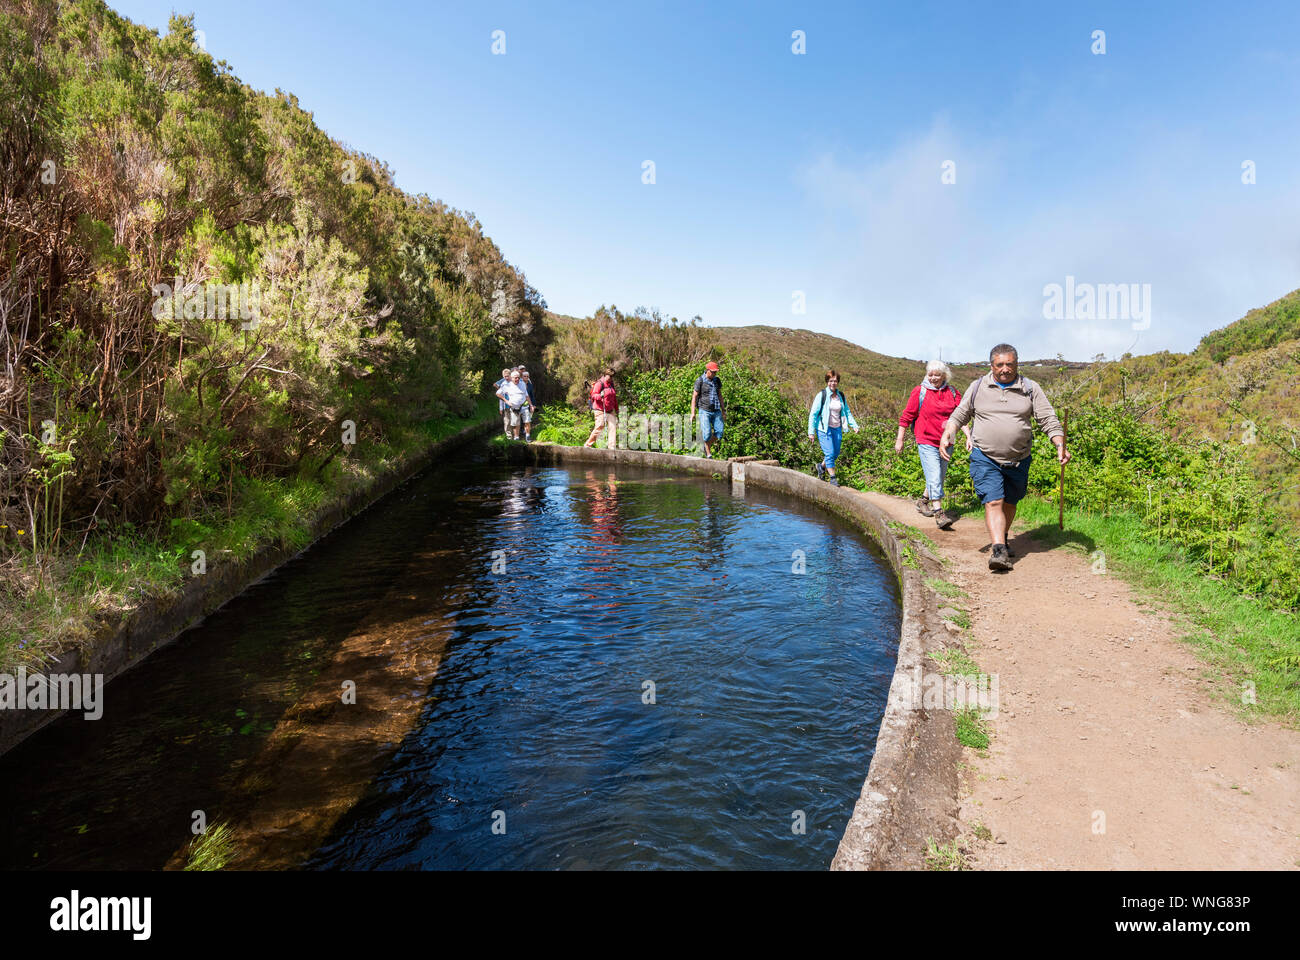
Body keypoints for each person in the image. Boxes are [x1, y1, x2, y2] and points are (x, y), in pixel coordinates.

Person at [940, 343, 1071, 571]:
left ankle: (1003, 534)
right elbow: (960, 413)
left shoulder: (1030, 388)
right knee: (993, 501)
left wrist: (1059, 444)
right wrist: (948, 433)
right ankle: (999, 549)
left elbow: (1048, 419)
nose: (1005, 369)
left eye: (1009, 364)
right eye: (999, 364)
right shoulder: (979, 386)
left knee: (1011, 501)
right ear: (991, 365)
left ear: (1016, 364)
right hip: (985, 456)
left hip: (1019, 458)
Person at [895, 360, 972, 529]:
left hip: (947, 441)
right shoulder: (919, 391)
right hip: (926, 440)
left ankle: (922, 501)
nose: (933, 378)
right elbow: (906, 416)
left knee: (938, 477)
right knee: (935, 474)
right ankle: (939, 513)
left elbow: (961, 417)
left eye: (937, 375)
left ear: (944, 375)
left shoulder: (952, 392)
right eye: (930, 374)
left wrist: (968, 436)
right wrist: (899, 439)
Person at [806, 369, 860, 486]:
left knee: (835, 454)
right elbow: (813, 414)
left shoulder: (841, 396)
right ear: (827, 381)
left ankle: (821, 467)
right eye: (831, 381)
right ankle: (833, 478)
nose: (833, 383)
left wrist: (854, 425)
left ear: (838, 382)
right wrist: (811, 432)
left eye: (835, 381)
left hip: (837, 428)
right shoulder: (822, 395)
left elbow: (847, 412)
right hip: (824, 429)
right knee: (829, 453)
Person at [690, 361, 725, 458]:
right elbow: (694, 396)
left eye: (716, 372)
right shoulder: (700, 380)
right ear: (708, 370)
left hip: (716, 410)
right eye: (713, 372)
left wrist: (723, 410)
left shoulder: (717, 380)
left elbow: (720, 395)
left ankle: (706, 446)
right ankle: (708, 453)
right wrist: (693, 413)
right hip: (704, 410)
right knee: (707, 434)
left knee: (719, 432)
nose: (715, 374)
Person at [496, 369, 533, 442]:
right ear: (511, 378)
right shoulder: (507, 385)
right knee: (516, 423)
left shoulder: (522, 384)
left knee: (527, 421)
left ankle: (528, 436)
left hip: (524, 406)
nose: (517, 379)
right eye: (515, 378)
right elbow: (498, 393)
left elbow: (526, 395)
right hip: (514, 408)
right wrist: (506, 401)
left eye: (518, 378)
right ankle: (516, 437)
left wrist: (531, 405)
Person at [584, 370, 618, 448]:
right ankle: (587, 445)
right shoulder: (599, 383)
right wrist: (600, 396)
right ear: (605, 375)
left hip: (610, 410)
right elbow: (593, 395)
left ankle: (611, 448)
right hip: (600, 409)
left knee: (613, 428)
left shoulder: (611, 384)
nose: (611, 378)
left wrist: (616, 408)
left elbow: (614, 398)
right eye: (610, 376)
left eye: (612, 377)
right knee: (599, 427)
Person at [494, 367, 512, 437]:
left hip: (515, 405)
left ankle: (515, 435)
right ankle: (509, 436)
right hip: (506, 406)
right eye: (505, 376)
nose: (506, 378)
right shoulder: (503, 384)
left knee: (514, 421)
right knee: (507, 421)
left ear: (510, 375)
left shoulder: (514, 382)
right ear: (503, 377)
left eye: (508, 376)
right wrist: (501, 408)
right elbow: (500, 396)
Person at [519, 368, 536, 442]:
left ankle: (526, 432)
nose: (526, 377)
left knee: (528, 418)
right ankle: (518, 433)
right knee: (518, 419)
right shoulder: (519, 384)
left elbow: (532, 395)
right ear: (522, 377)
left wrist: (533, 404)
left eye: (527, 376)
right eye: (524, 376)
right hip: (519, 404)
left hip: (528, 404)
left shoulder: (530, 385)